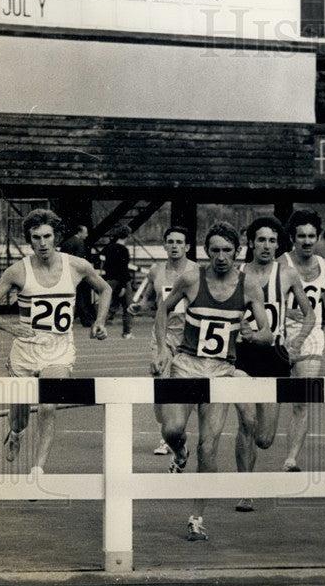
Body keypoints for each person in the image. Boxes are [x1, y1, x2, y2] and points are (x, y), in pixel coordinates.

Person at [153, 222, 274, 541]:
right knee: (172, 430)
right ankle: (179, 453)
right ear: (207, 251)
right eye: (215, 250)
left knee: (208, 447)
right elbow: (163, 310)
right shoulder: (192, 278)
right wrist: (163, 347)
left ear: (237, 252)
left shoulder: (249, 286)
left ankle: (196, 518)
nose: (221, 257)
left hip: (221, 372)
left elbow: (267, 333)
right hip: (186, 366)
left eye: (227, 251)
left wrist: (254, 335)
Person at [0, 209, 112, 484]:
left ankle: (38, 470)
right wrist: (11, 328)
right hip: (25, 351)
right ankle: (16, 433)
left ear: (56, 237)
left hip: (59, 350)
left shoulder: (77, 266)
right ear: (29, 240)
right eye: (36, 237)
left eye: (47, 236)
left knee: (48, 405)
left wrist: (100, 321)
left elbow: (105, 289)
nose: (43, 243)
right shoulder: (17, 271)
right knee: (20, 417)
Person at [233, 216, 314, 512]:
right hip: (242, 356)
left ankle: (250, 471)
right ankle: (245, 490)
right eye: (261, 240)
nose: (266, 246)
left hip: (274, 356)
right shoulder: (238, 274)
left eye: (271, 240)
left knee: (265, 438)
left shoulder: (288, 274)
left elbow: (310, 314)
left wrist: (296, 342)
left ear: (278, 244)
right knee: (247, 422)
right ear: (251, 243)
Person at [278, 210, 325, 472]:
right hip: (281, 333)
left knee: (303, 398)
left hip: (312, 333)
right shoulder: (281, 264)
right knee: (269, 398)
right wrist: (286, 312)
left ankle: (290, 458)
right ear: (292, 238)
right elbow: (265, 297)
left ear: (317, 237)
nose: (307, 241)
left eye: (311, 236)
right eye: (301, 236)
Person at [128, 226, 198, 456]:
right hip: (162, 336)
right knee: (160, 385)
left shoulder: (197, 272)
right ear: (165, 245)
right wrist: (139, 307)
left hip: (189, 337)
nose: (175, 246)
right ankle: (167, 432)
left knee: (181, 389)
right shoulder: (155, 271)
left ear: (187, 246)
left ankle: (172, 436)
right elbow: (149, 300)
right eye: (171, 242)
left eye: (179, 242)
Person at [99, 225, 134, 339]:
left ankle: (99, 328)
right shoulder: (124, 250)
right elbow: (123, 269)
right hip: (122, 281)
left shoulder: (108, 248)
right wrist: (123, 286)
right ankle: (127, 332)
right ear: (127, 236)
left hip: (109, 280)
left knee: (107, 306)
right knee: (128, 307)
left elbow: (103, 263)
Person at [59, 224, 95, 327]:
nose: (87, 235)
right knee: (81, 296)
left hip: (66, 272)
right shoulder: (80, 243)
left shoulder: (67, 242)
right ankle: (85, 319)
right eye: (85, 233)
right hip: (76, 273)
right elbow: (79, 259)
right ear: (80, 232)